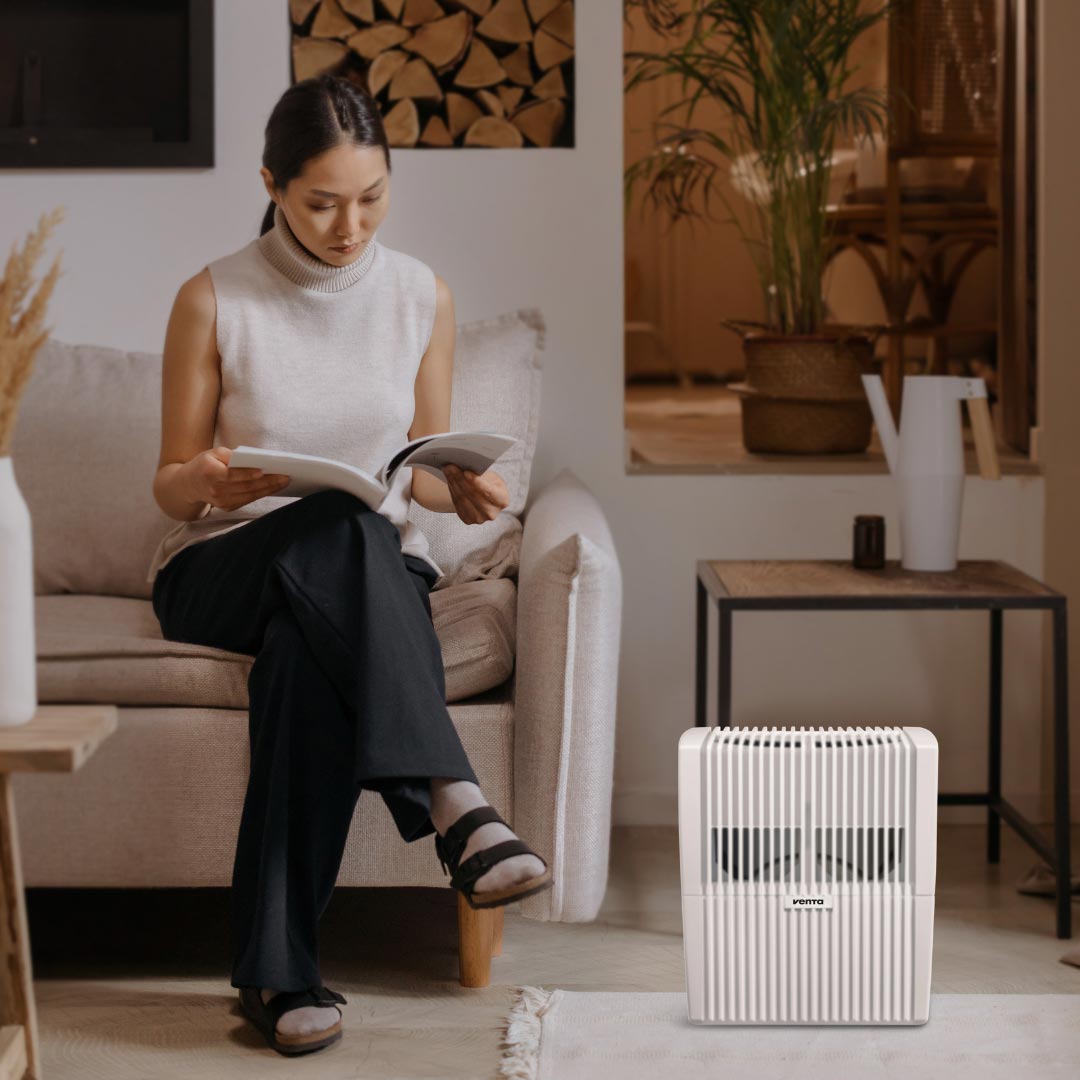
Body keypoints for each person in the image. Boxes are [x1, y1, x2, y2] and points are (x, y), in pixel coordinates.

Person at [147, 74, 552, 1057]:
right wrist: (206, 481)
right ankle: (454, 803)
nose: (349, 223)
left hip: (360, 579)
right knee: (336, 519)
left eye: (371, 197)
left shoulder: (420, 296)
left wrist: (455, 488)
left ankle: (277, 979)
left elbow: (413, 468)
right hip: (224, 570)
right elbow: (166, 484)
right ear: (273, 185)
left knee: (310, 639)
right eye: (323, 201)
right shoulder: (213, 297)